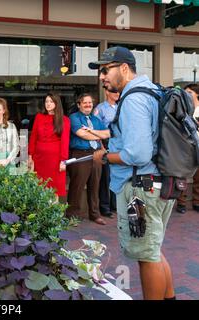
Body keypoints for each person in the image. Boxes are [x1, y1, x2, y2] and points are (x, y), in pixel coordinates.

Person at [90, 46, 176, 300]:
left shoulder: (134, 98)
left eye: (106, 70)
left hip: (141, 188)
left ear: (124, 68)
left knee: (146, 256)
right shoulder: (151, 91)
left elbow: (137, 154)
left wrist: (104, 156)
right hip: (158, 182)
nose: (102, 77)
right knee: (152, 250)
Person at [66, 93, 110, 225]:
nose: (88, 105)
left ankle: (94, 214)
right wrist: (97, 133)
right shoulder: (74, 117)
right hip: (80, 154)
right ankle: (72, 215)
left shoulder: (95, 120)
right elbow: (81, 134)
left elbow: (107, 133)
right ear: (79, 105)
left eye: (90, 103)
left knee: (95, 185)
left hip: (96, 154)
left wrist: (92, 131)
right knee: (77, 186)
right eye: (85, 103)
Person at [28, 93, 70, 198]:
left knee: (54, 188)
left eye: (51, 101)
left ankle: (52, 213)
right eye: (47, 101)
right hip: (39, 158)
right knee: (39, 186)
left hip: (55, 160)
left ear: (57, 103)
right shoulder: (39, 117)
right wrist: (30, 156)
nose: (48, 104)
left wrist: (63, 160)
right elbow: (33, 137)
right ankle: (41, 213)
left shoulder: (64, 120)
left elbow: (65, 141)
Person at [94, 88, 120, 218]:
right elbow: (95, 129)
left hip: (119, 144)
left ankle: (115, 205)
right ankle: (105, 207)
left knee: (117, 175)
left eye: (118, 92)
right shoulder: (100, 108)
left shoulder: (121, 107)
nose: (117, 94)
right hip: (106, 143)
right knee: (106, 177)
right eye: (114, 91)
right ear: (107, 93)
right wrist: (101, 147)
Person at [176, 83, 199, 214]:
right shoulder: (183, 109)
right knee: (182, 176)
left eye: (190, 92)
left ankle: (196, 202)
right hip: (185, 146)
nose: (187, 94)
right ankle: (181, 203)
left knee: (198, 177)